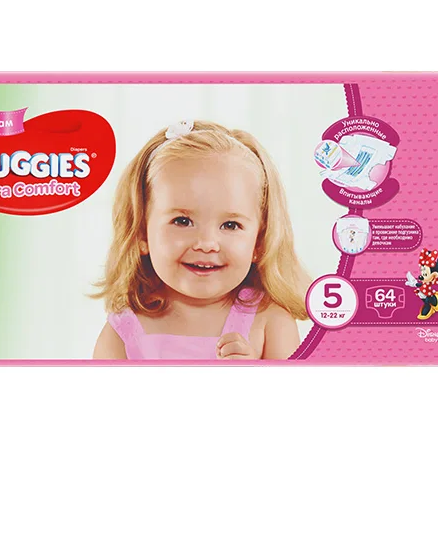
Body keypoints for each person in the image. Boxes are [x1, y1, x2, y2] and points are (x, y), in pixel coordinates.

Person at [91, 119, 309, 360]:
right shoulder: (124, 329)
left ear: (259, 241)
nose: (206, 243)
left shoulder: (270, 321)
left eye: (230, 225)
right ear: (141, 232)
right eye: (182, 221)